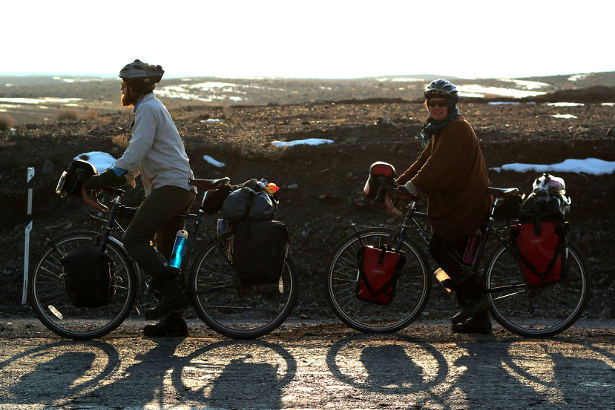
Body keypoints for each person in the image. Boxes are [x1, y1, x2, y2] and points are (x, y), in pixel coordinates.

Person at [85, 59, 196, 337]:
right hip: (176, 187)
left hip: (171, 188)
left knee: (133, 239)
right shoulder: (150, 107)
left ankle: (173, 294)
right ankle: (174, 321)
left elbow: (138, 150)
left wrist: (110, 176)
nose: (123, 89)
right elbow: (142, 157)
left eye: (125, 85)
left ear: (135, 86)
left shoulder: (148, 109)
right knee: (166, 252)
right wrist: (124, 176)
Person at [386, 79, 493, 333]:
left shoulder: (457, 128)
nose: (435, 107)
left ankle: (478, 303)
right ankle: (479, 318)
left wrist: (410, 189)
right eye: (431, 103)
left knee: (439, 247)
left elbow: (438, 167)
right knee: (457, 259)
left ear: (451, 104)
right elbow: (424, 161)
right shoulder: (440, 130)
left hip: (467, 204)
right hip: (458, 203)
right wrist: (398, 184)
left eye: (441, 103)